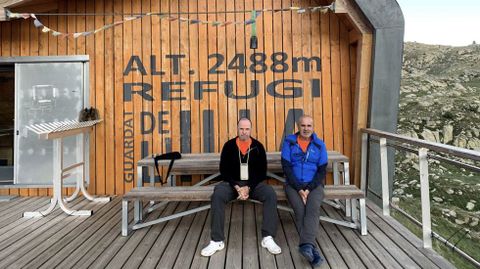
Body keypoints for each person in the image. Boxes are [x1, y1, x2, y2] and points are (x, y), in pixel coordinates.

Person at [201, 118, 282, 257]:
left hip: (253, 185)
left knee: (270, 193)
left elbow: (262, 172)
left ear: (251, 130)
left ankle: (267, 237)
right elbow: (224, 171)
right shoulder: (229, 146)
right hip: (232, 184)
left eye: (247, 129)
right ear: (237, 129)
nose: (244, 132)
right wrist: (237, 186)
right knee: (218, 194)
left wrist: (248, 187)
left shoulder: (258, 146)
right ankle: (217, 240)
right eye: (241, 129)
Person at [281, 115, 328, 267]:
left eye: (309, 126)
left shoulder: (320, 145)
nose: (306, 128)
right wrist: (300, 189)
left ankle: (306, 246)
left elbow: (321, 172)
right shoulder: (289, 142)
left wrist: (308, 189)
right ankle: (311, 249)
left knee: (313, 208)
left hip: (314, 185)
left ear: (313, 127)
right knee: (300, 210)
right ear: (298, 127)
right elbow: (286, 168)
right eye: (303, 125)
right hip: (293, 185)